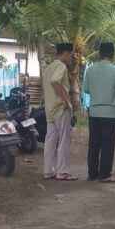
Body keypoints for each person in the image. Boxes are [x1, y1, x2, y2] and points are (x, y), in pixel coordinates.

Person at [83, 42, 115, 183]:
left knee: (94, 143)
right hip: (110, 112)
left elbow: (86, 89)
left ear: (99, 54)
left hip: (94, 112)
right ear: (112, 55)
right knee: (108, 144)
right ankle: (105, 174)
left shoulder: (90, 70)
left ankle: (92, 173)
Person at [42, 43, 77, 180]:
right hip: (60, 108)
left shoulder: (49, 67)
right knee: (64, 140)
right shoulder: (61, 66)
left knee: (50, 139)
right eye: (71, 55)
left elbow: (50, 82)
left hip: (49, 108)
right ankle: (62, 171)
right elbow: (55, 81)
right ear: (66, 53)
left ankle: (48, 171)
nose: (71, 58)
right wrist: (66, 100)